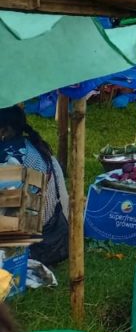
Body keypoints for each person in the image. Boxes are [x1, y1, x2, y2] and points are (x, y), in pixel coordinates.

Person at [0, 106, 69, 266]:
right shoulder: (28, 145)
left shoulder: (11, 159)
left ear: (4, 131)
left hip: (37, 243)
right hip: (56, 230)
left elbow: (9, 210)